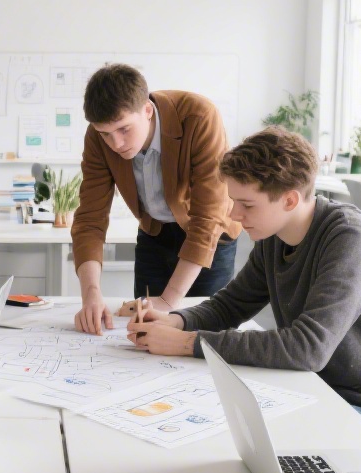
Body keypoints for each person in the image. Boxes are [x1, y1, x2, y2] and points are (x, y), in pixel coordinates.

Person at [126, 127, 361, 460]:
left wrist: (189, 343)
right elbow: (231, 305)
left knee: (256, 458)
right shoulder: (275, 234)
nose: (234, 216)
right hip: (318, 394)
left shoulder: (350, 238)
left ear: (289, 199)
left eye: (246, 205)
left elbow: (307, 348)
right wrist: (176, 322)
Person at [71, 63, 241, 335]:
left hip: (209, 237)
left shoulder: (200, 116)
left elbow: (208, 217)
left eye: (124, 129)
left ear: (147, 111)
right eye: (106, 134)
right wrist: (91, 294)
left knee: (205, 331)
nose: (116, 144)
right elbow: (90, 219)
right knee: (144, 331)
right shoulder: (98, 135)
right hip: (154, 234)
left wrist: (168, 301)